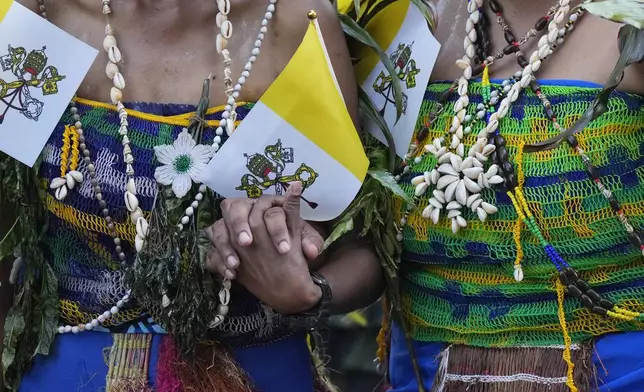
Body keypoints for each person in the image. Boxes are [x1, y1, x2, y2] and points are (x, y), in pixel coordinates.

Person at [216, 0, 644, 391]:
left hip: (618, 371)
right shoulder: (396, 22)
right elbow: (361, 240)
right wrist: (308, 284)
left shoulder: (631, 27)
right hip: (422, 374)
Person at [0, 0, 384, 391]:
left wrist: (308, 293)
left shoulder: (293, 22)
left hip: (257, 373)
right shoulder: (37, 15)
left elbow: (361, 248)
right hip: (67, 372)